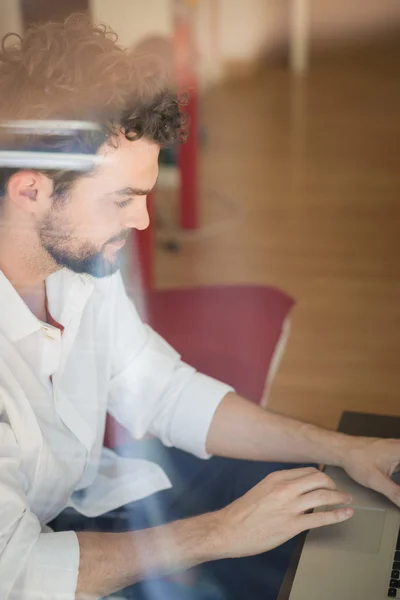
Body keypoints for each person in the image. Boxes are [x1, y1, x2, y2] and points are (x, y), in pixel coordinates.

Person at [0, 14, 398, 600]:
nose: (140, 222)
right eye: (121, 200)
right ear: (31, 192)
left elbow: (162, 391)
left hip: (86, 503)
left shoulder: (79, 267)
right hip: (36, 565)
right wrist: (222, 532)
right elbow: (20, 572)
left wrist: (343, 449)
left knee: (325, 505)